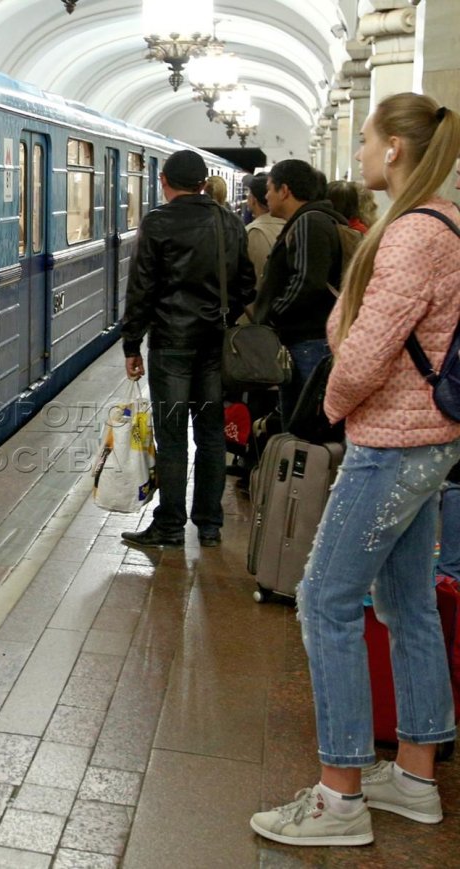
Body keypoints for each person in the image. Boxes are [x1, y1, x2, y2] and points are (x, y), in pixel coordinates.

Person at [250, 92, 460, 848]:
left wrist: (330, 403)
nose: (362, 152)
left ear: (395, 150)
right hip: (426, 440)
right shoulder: (443, 222)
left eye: (368, 139)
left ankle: (339, 798)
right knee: (407, 606)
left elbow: (367, 351)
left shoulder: (411, 234)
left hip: (392, 443)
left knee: (324, 603)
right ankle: (413, 774)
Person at [119, 150, 256, 548]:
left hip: (172, 344)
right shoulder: (229, 222)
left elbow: (141, 288)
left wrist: (132, 343)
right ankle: (210, 524)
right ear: (202, 183)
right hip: (214, 343)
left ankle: (170, 524)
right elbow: (247, 284)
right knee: (212, 435)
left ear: (164, 180)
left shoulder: (159, 222)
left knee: (173, 434)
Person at [253, 159, 350, 428]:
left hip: (310, 341)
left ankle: (304, 470)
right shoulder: (311, 219)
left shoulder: (310, 222)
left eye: (270, 188)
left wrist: (273, 314)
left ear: (285, 190)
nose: (266, 195)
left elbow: (307, 281)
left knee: (302, 424)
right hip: (308, 339)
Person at [244, 173, 285, 285]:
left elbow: (258, 279)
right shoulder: (287, 224)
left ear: (254, 200)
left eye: (249, 194)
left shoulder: (253, 231)